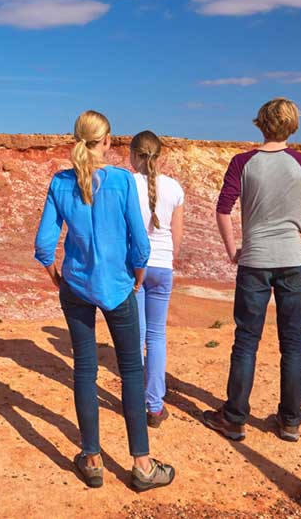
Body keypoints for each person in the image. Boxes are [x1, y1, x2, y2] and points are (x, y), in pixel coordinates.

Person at [34, 110, 175, 492]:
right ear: (108, 141)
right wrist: (138, 276)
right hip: (118, 288)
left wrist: (57, 278)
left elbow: (45, 246)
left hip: (77, 288)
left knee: (85, 369)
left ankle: (92, 458)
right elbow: (139, 242)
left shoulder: (61, 183)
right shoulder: (123, 181)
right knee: (131, 370)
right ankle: (143, 466)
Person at [203, 98, 301, 443]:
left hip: (254, 261)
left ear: (260, 123)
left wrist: (232, 251)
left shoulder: (243, 162)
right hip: (293, 261)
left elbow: (223, 210)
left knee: (246, 341)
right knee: (293, 343)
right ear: (293, 125)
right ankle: (289, 421)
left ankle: (235, 418)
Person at [129, 131, 184, 428]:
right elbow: (177, 235)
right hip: (163, 267)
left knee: (135, 338)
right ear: (159, 156)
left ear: (133, 155)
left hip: (135, 267)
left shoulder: (126, 184)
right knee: (157, 336)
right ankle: (155, 406)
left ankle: (136, 402)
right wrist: (169, 259)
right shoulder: (174, 188)